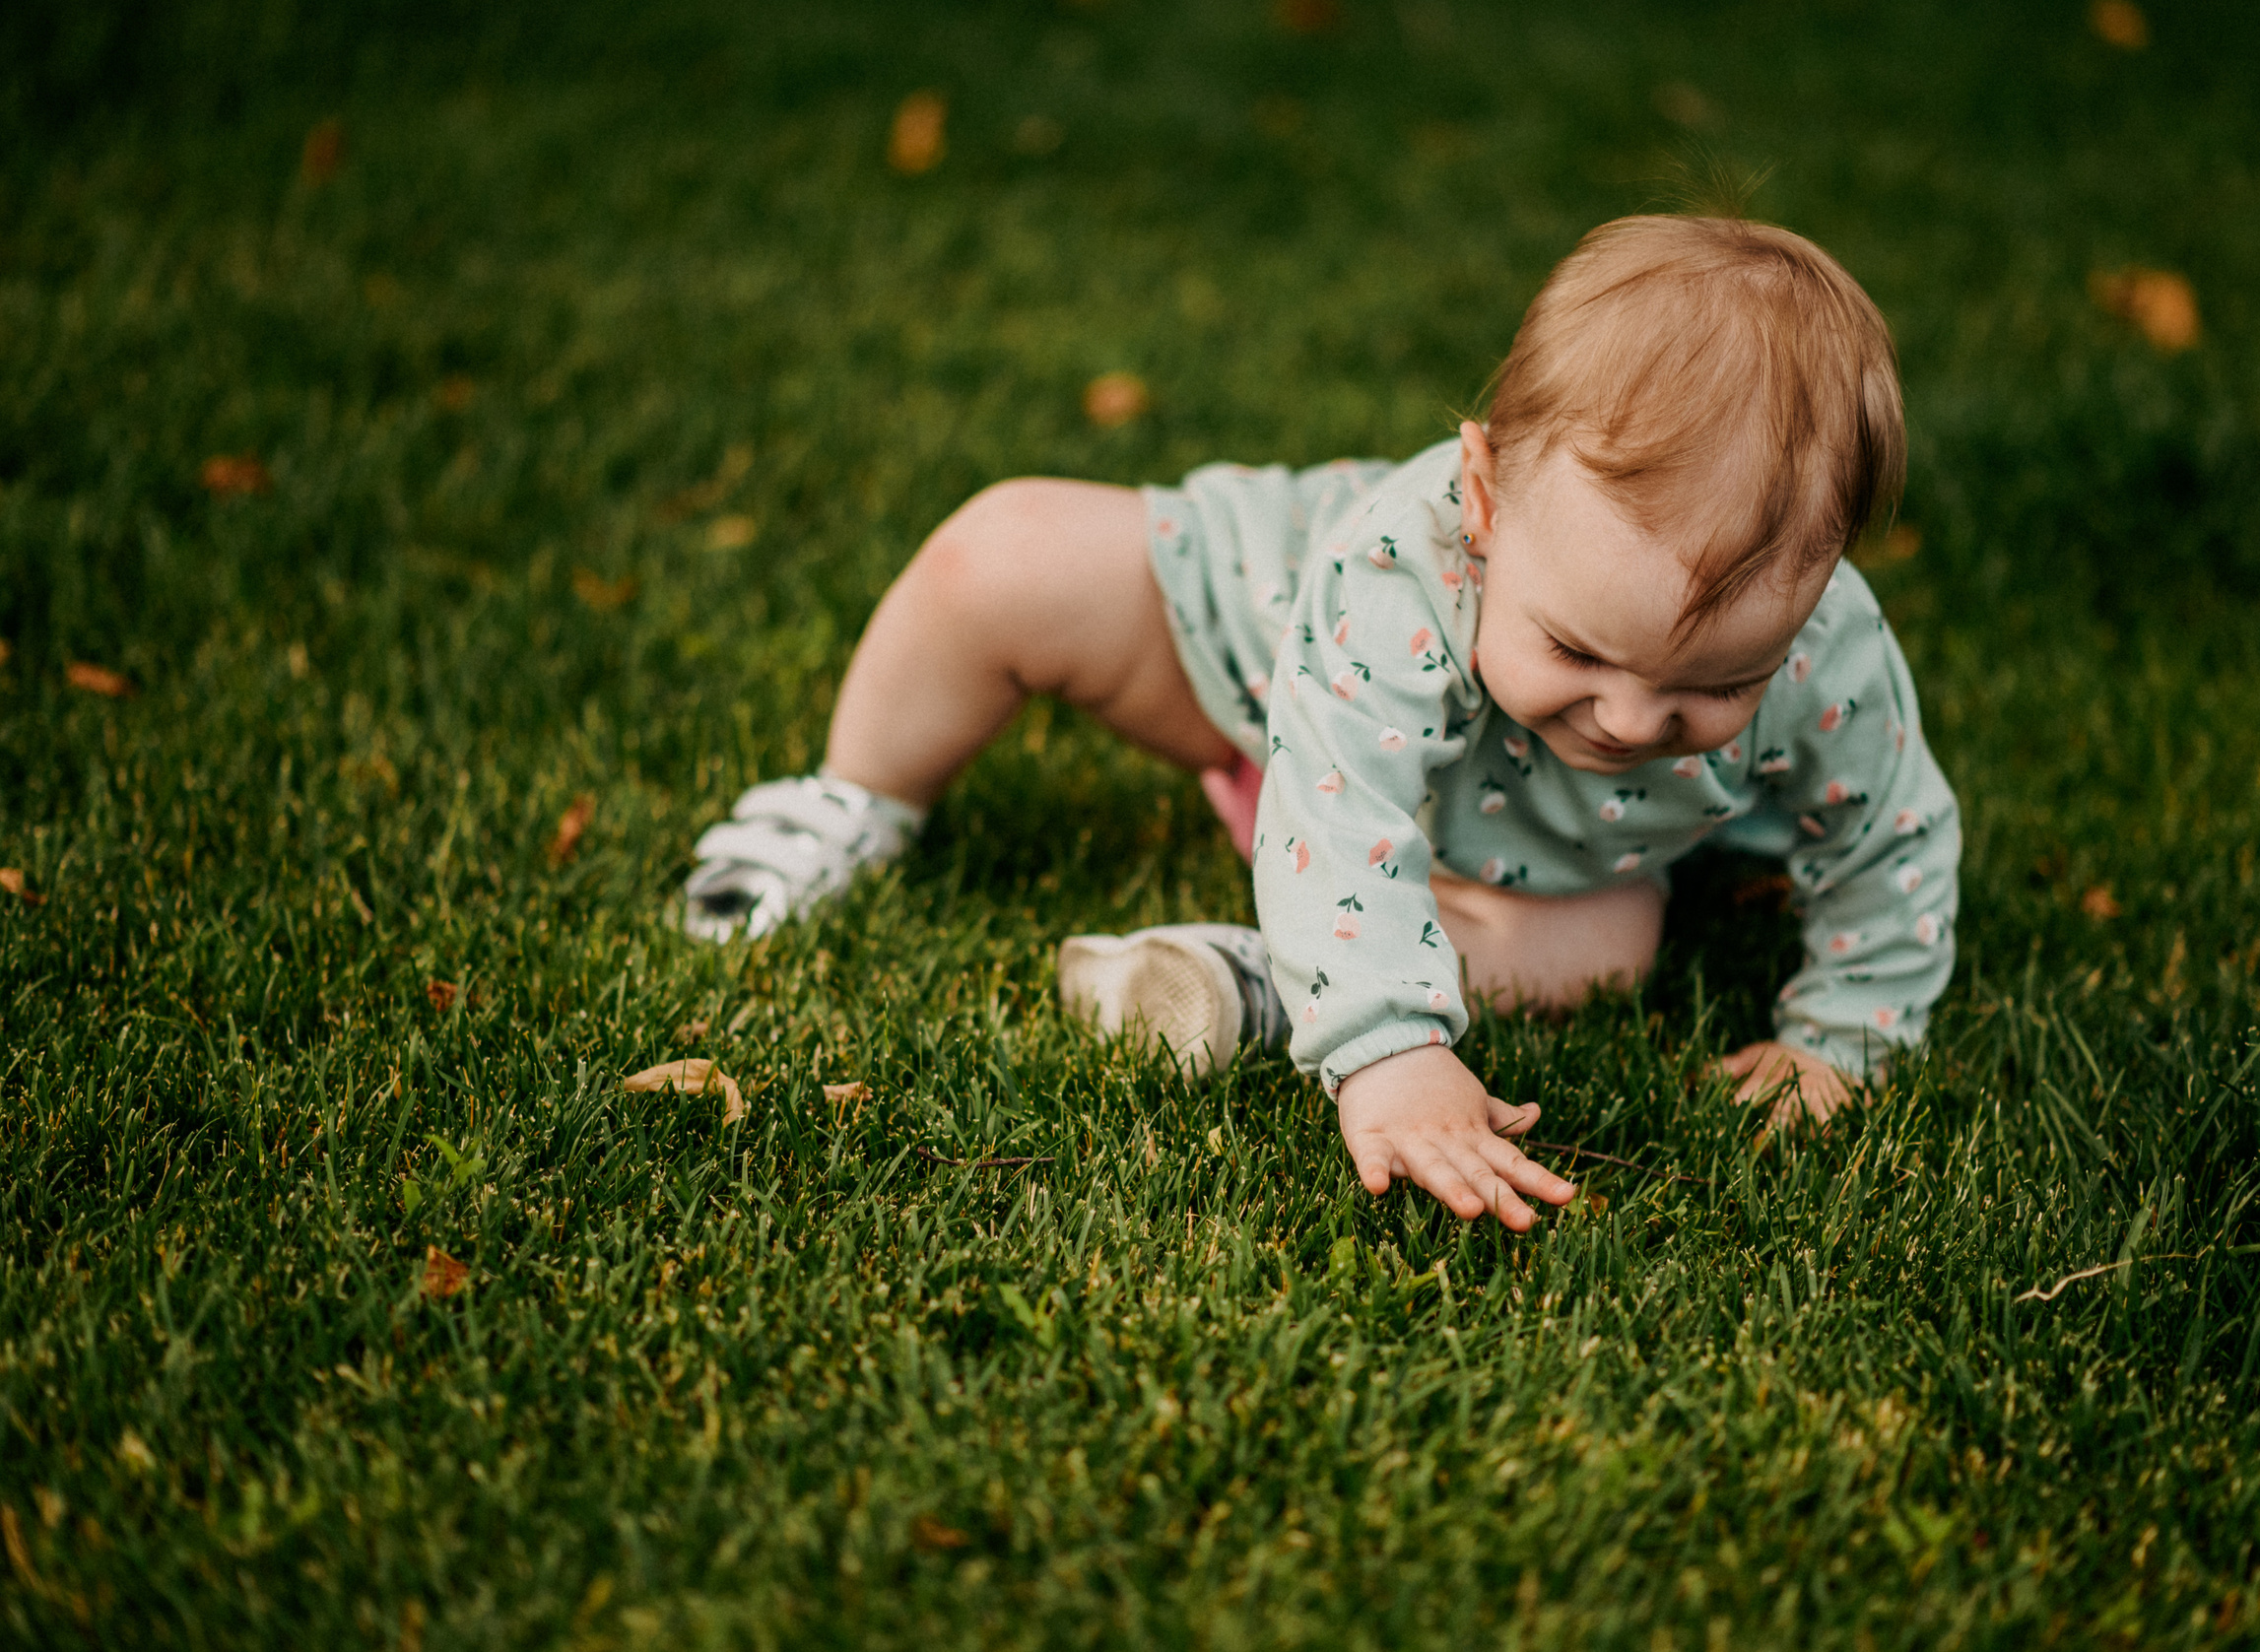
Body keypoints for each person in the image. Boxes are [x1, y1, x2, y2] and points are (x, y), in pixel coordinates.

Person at [680, 214, 1961, 1230]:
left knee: (1598, 954)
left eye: (1715, 687)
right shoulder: (1399, 565)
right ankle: (857, 795)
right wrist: (1391, 1054)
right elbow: (1339, 798)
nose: (1630, 719)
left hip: (1531, 855)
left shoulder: (1829, 654)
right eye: (1576, 648)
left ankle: (1260, 982)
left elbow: (1892, 837)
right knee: (1001, 551)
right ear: (1485, 500)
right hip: (1257, 675)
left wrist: (1841, 1037)